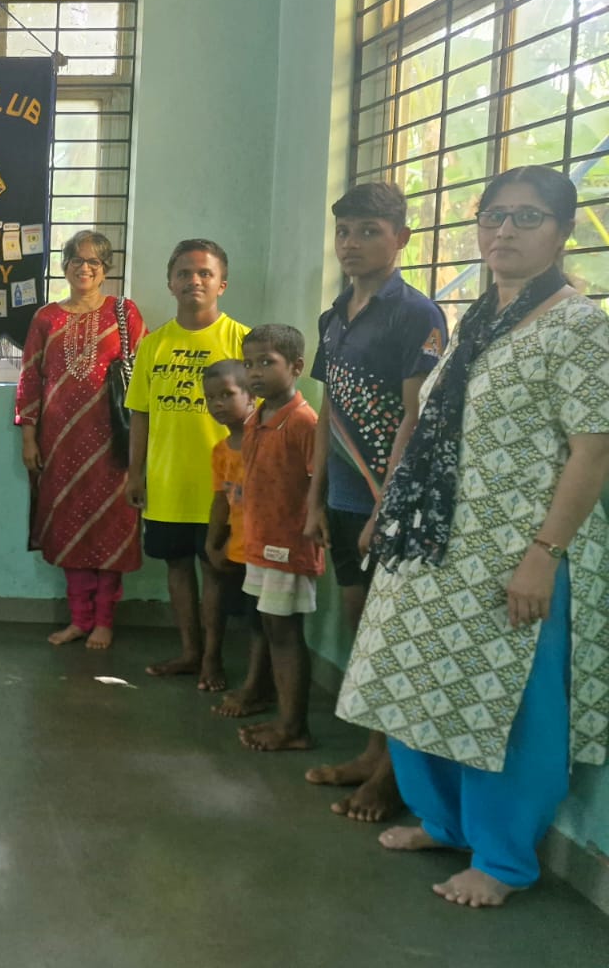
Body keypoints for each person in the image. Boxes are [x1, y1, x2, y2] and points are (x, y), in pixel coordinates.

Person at [338, 166, 609, 909]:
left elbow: (594, 450)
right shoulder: (477, 319)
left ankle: (502, 858)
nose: (504, 232)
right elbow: (431, 425)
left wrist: (542, 555)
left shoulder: (579, 327)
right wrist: (390, 511)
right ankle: (444, 820)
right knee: (418, 684)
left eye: (526, 218)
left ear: (563, 231)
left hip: (516, 551)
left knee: (506, 706)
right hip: (436, 540)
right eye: (494, 217)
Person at [301, 182, 446, 820]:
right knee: (363, 631)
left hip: (391, 502)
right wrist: (314, 499)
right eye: (344, 232)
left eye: (368, 231)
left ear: (401, 238)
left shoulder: (419, 315)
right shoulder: (334, 316)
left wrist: (387, 507)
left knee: (389, 637)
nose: (352, 244)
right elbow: (327, 413)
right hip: (341, 497)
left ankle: (391, 775)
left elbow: (415, 418)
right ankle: (371, 751)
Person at [124, 239, 249, 690]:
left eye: (204, 273)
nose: (193, 281)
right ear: (170, 282)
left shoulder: (241, 340)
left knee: (216, 566)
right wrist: (135, 472)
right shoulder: (154, 345)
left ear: (222, 283)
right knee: (176, 566)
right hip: (168, 479)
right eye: (184, 273)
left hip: (224, 488)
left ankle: (213, 659)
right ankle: (190, 653)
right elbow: (140, 413)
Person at [16, 230, 145, 649]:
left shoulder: (124, 313)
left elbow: (141, 380)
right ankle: (79, 619)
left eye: (94, 261)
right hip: (60, 443)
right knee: (69, 527)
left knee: (113, 527)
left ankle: (105, 621)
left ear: (106, 269)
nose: (84, 267)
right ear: (65, 264)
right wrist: (29, 438)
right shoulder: (46, 318)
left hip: (114, 443)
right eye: (77, 259)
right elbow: (30, 381)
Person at [234, 325, 324, 753]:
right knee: (271, 626)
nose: (255, 372)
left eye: (267, 362)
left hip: (289, 545)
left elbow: (317, 483)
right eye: (249, 364)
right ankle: (279, 711)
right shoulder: (257, 416)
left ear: (297, 367)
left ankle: (294, 727)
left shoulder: (304, 422)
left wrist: (310, 527)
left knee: (287, 632)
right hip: (260, 541)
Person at [201, 360, 274, 720]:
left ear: (251, 397)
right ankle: (210, 660)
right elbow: (221, 500)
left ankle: (255, 686)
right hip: (236, 545)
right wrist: (212, 543)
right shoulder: (221, 450)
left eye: (227, 395)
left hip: (264, 547)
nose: (217, 404)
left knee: (261, 620)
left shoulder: (266, 440)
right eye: (210, 398)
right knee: (236, 607)